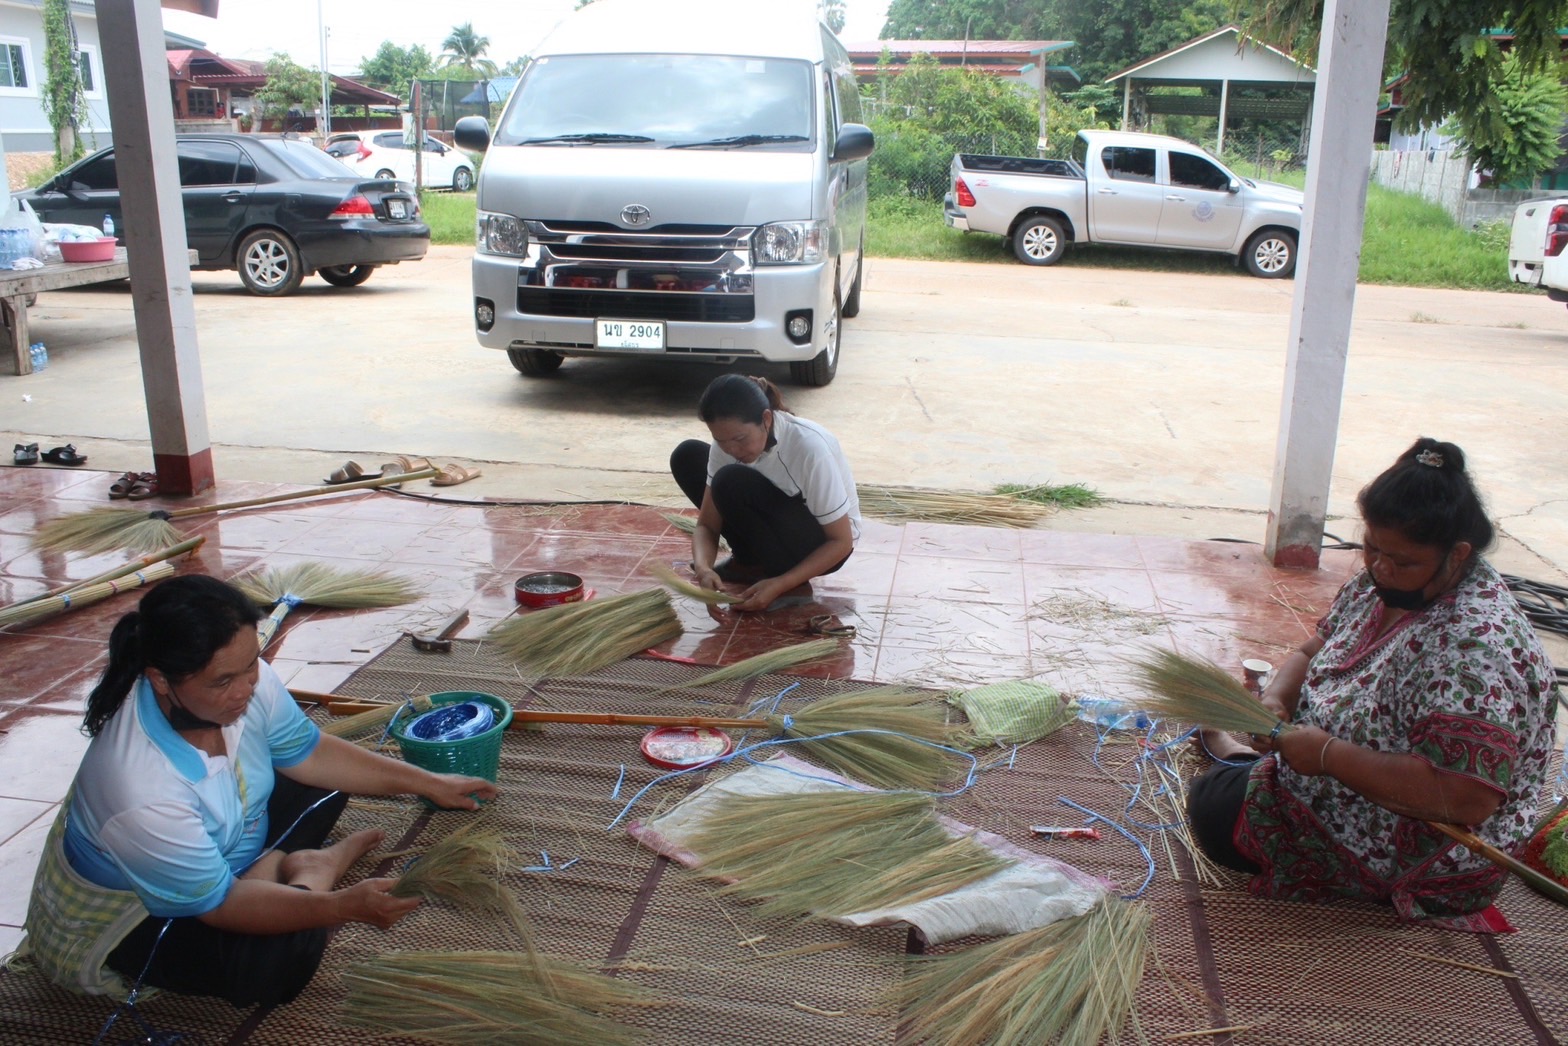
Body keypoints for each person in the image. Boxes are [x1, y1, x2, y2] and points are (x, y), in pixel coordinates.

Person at [14, 575, 498, 1006]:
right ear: (161, 679)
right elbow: (220, 905)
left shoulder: (243, 681)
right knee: (276, 961)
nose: (247, 687)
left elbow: (310, 753)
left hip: (226, 851)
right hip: (142, 912)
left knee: (327, 784)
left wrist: (430, 782)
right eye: (224, 680)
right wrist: (339, 906)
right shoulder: (139, 789)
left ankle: (272, 870)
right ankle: (310, 871)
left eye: (252, 664)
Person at [1188, 438, 1558, 930]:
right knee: (1224, 795)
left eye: (1402, 560)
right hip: (1338, 776)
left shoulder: (1475, 649)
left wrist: (1327, 755)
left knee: (1211, 806)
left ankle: (1236, 757)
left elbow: (1466, 799)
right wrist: (1277, 697)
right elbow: (1312, 650)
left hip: (1427, 848)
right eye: (1371, 548)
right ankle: (1244, 757)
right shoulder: (1381, 582)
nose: (1381, 566)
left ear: (1457, 555)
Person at [670, 374, 859, 612]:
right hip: (775, 521)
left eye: (740, 439)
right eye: (721, 440)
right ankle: (748, 563)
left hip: (826, 544)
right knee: (687, 456)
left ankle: (792, 582)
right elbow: (707, 525)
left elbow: (841, 542)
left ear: (766, 419)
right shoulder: (726, 446)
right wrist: (703, 568)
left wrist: (782, 583)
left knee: (730, 480)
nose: (732, 449)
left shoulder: (809, 448)